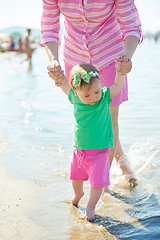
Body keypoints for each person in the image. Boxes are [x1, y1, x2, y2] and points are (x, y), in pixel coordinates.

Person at [40, 1, 142, 188]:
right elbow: (49, 28)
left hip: (111, 52)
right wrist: (53, 60)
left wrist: (127, 55)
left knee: (110, 117)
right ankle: (123, 162)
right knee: (92, 115)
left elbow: (131, 25)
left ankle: (103, 183)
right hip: (75, 55)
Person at [48, 62, 125, 222]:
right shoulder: (74, 97)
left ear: (100, 86)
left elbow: (117, 86)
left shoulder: (103, 97)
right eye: (87, 96)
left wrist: (120, 71)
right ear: (76, 91)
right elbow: (62, 81)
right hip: (79, 151)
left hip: (99, 152)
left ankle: (91, 206)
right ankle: (78, 194)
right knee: (75, 178)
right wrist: (56, 72)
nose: (93, 98)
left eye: (96, 92)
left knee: (97, 184)